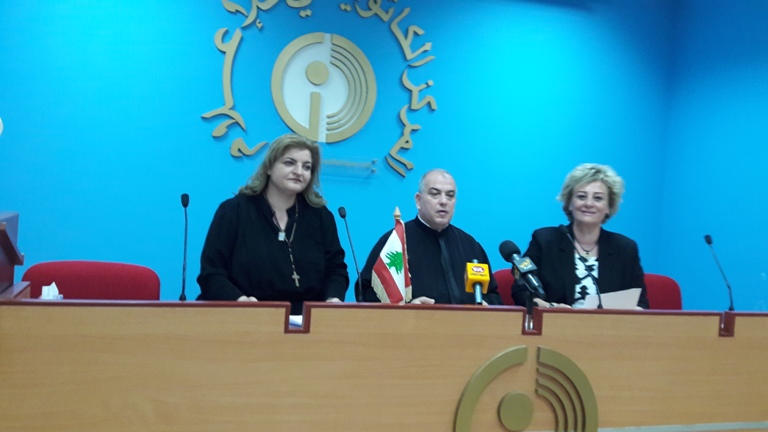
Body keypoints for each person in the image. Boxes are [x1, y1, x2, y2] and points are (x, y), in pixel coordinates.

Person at [197, 133, 349, 314]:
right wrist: (240, 301)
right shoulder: (234, 211)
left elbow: (336, 270)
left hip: (307, 318)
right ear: (269, 167)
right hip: (246, 315)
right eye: (289, 163)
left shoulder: (321, 216)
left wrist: (333, 299)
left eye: (306, 167)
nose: (299, 171)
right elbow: (212, 273)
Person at [511, 163, 649, 309]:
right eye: (582, 197)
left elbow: (640, 302)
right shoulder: (545, 240)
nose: (589, 204)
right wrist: (550, 308)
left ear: (609, 206)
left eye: (598, 198)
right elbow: (522, 291)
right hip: (557, 321)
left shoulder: (625, 248)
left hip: (609, 323)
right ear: (570, 203)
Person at [358, 169, 502, 305]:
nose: (443, 201)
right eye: (435, 194)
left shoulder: (470, 246)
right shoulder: (396, 242)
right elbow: (367, 292)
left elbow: (493, 295)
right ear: (418, 201)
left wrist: (486, 305)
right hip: (412, 322)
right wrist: (406, 308)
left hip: (467, 323)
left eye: (450, 196)